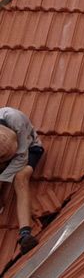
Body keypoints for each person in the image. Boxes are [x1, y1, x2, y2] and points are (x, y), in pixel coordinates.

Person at [0, 107, 44, 254]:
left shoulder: (16, 119)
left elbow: (21, 158)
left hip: (29, 149)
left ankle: (25, 233)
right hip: (5, 156)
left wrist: (2, 180)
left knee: (20, 178)